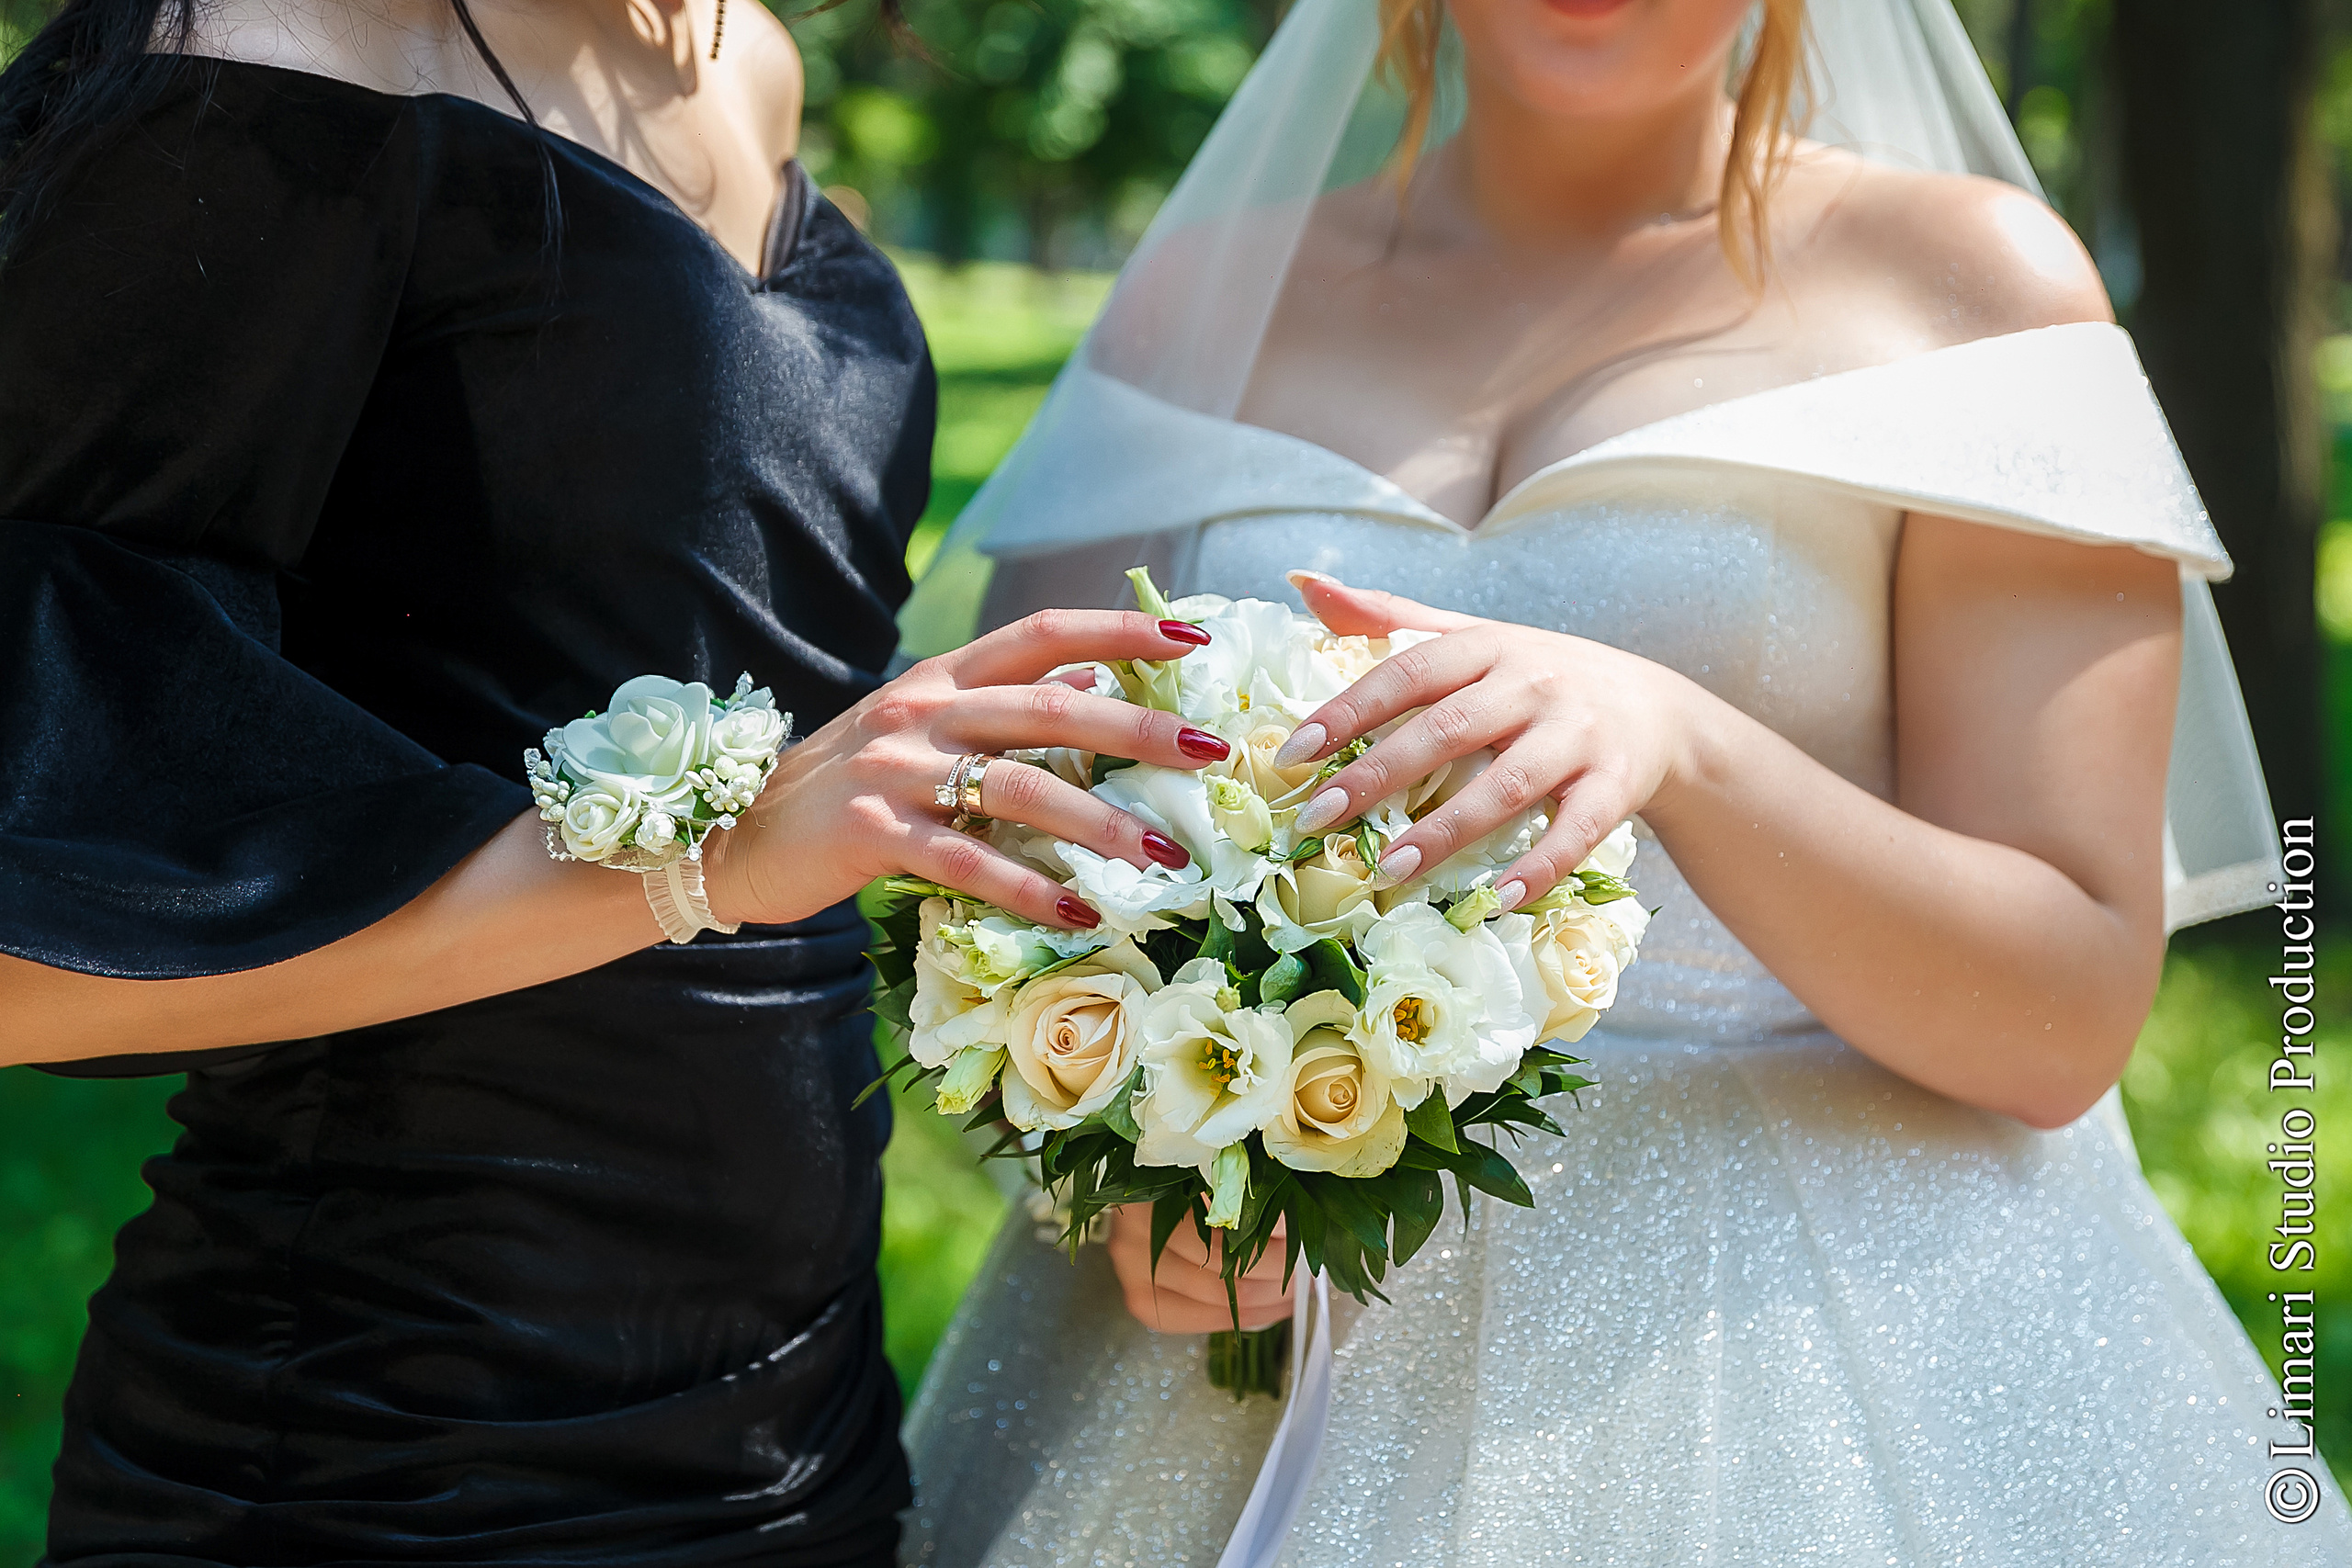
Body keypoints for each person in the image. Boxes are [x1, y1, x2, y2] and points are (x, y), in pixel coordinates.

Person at [892, 0, 2352, 1562]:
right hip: (1239, 1362)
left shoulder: (1975, 290)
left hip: (1808, 1355)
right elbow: (993, 864)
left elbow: (2066, 1013)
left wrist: (1685, 739)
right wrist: (1120, 1180)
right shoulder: (1202, 296)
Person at [0, 0, 1244, 1561]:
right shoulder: (268, 53)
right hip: (382, 1449)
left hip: (800, 1433)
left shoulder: (748, 58)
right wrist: (695, 865)